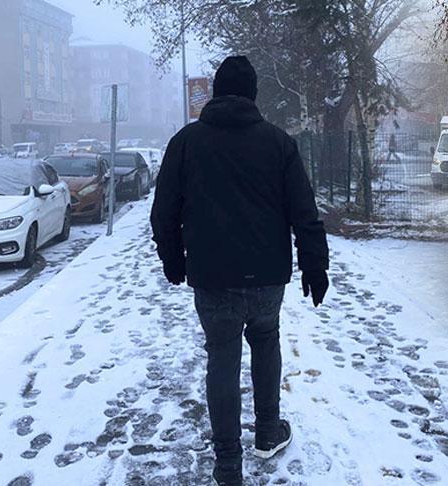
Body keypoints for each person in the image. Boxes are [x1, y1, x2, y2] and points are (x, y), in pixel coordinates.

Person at [150, 56, 329, 486]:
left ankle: (228, 463)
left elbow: (163, 214)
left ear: (215, 91)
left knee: (223, 359)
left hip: (213, 278)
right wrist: (314, 265)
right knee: (266, 343)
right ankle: (268, 432)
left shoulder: (187, 142)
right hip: (268, 276)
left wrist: (174, 260)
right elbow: (304, 212)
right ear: (252, 94)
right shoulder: (279, 143)